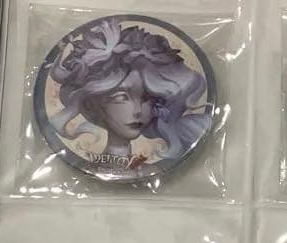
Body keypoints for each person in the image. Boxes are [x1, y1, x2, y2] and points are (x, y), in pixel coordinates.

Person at [49, 16, 211, 170]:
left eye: (147, 98)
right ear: (90, 105)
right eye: (121, 97)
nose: (137, 111)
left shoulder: (154, 166)